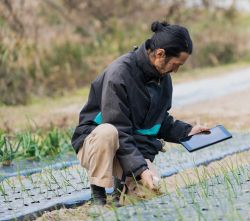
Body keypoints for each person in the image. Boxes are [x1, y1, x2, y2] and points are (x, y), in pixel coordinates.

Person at [71, 21, 209, 206]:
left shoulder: (163, 79)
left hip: (129, 148)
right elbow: (119, 129)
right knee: (108, 132)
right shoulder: (119, 74)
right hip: (97, 144)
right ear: (160, 54)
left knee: (148, 195)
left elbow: (159, 121)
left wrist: (187, 132)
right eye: (176, 64)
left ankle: (121, 190)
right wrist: (141, 169)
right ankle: (98, 195)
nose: (176, 70)